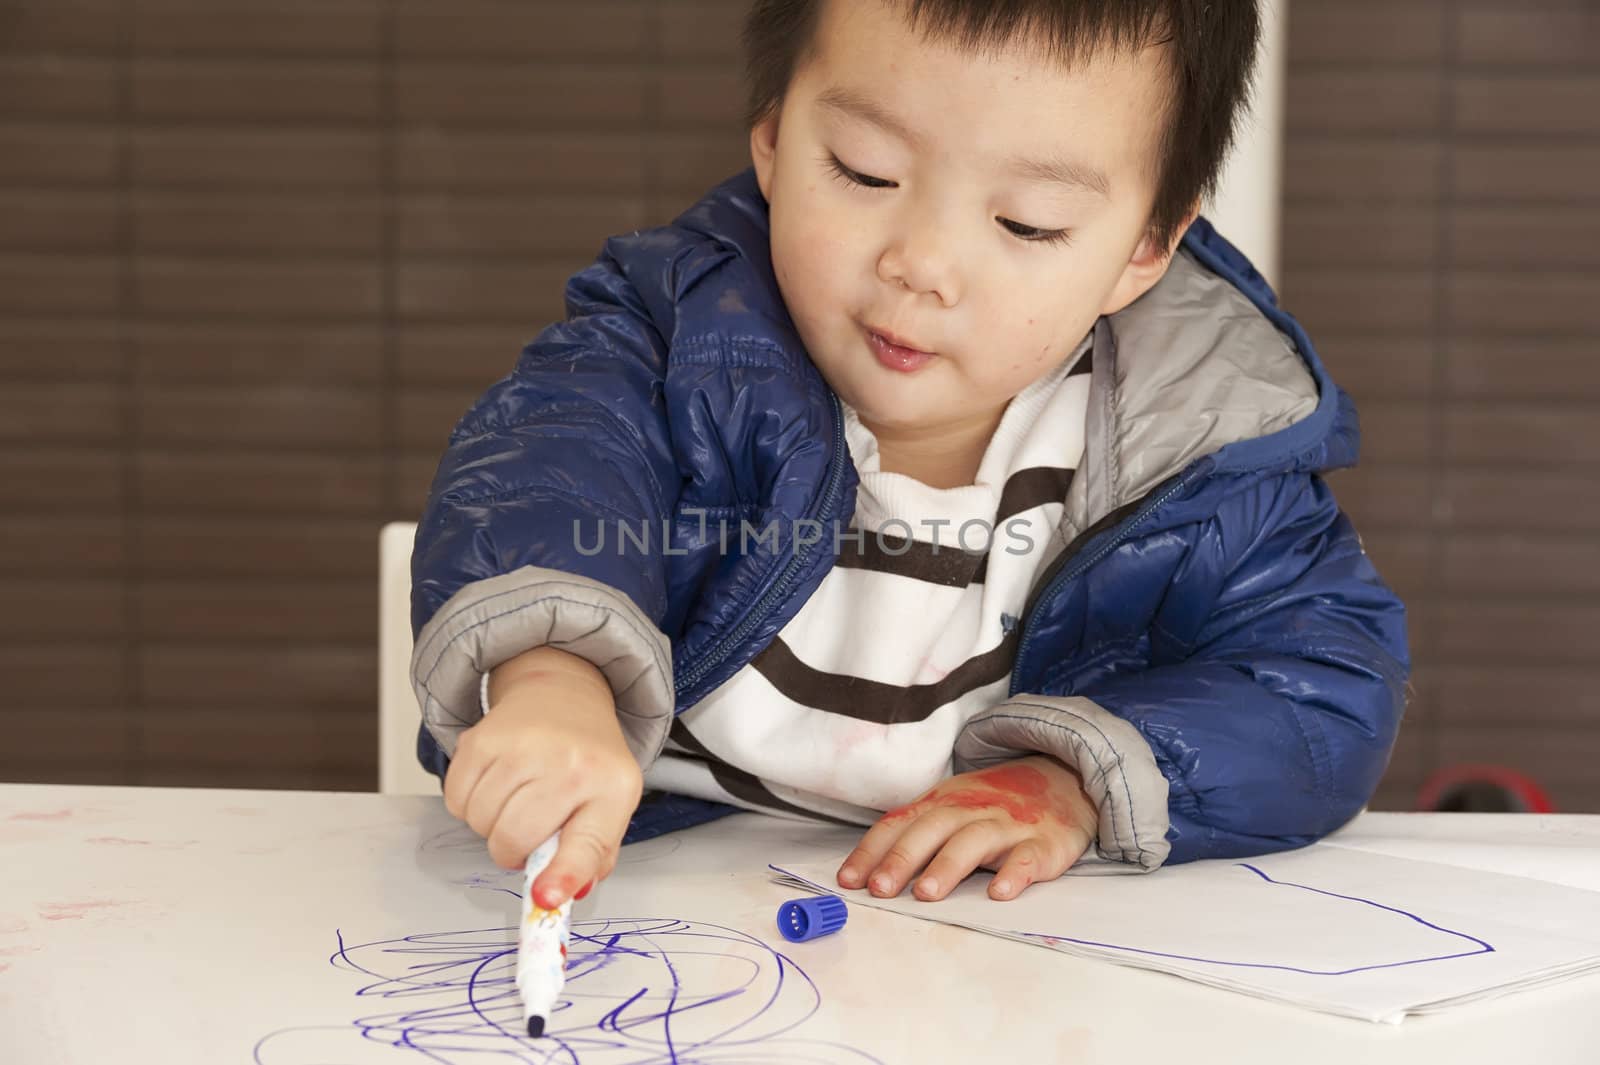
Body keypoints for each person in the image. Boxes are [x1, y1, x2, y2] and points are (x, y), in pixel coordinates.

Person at [407, 0, 1410, 914]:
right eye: (861, 172)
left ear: (1144, 247)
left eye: (1027, 223)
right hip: (657, 891)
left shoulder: (1197, 445)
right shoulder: (671, 345)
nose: (920, 265)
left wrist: (1071, 784)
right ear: (770, 139)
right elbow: (545, 473)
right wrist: (557, 684)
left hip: (1002, 939)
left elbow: (1323, 684)